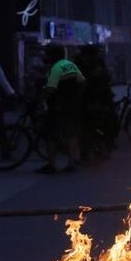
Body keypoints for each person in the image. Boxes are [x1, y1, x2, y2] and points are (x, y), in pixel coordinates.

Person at [38, 45, 85, 173]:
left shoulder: (56, 68)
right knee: (71, 134)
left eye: (48, 55)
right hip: (73, 107)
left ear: (53, 56)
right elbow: (82, 82)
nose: (46, 58)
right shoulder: (71, 65)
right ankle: (71, 163)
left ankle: (51, 165)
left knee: (51, 135)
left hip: (59, 107)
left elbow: (50, 89)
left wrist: (40, 99)